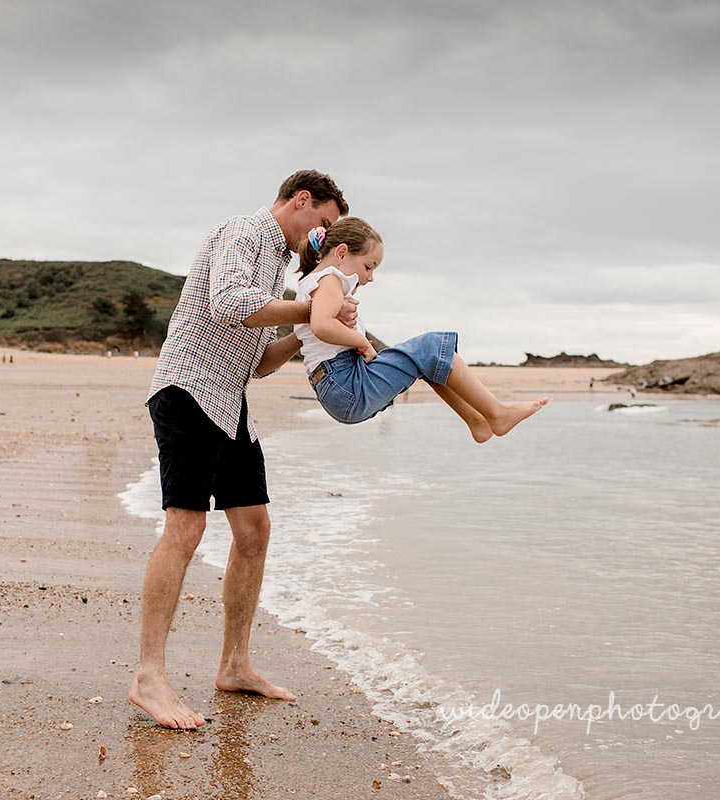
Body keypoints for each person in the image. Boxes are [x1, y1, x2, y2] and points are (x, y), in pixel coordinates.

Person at [131, 170, 358, 730]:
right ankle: (149, 675)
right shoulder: (243, 231)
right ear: (301, 201)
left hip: (229, 401)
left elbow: (258, 363)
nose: (323, 239)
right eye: (324, 224)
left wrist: (309, 331)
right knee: (185, 527)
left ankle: (234, 664)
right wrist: (311, 311)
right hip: (188, 389)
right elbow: (231, 302)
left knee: (254, 530)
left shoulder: (278, 265)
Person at [293, 218, 548, 442]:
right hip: (345, 385)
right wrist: (362, 341)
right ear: (341, 253)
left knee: (430, 361)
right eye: (368, 267)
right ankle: (497, 414)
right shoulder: (329, 280)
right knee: (431, 347)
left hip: (340, 386)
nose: (370, 277)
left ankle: (477, 421)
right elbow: (322, 325)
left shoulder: (318, 282)